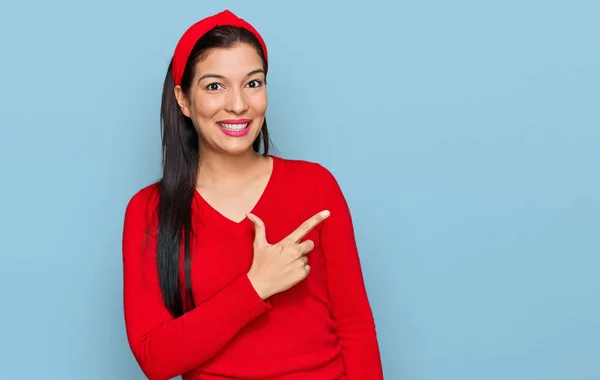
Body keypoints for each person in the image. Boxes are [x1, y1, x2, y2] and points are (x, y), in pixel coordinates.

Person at [121, 9, 384, 380]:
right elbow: (155, 359)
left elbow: (356, 329)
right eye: (215, 86)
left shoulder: (316, 186)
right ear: (183, 100)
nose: (239, 105)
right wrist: (255, 286)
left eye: (252, 83)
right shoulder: (149, 210)